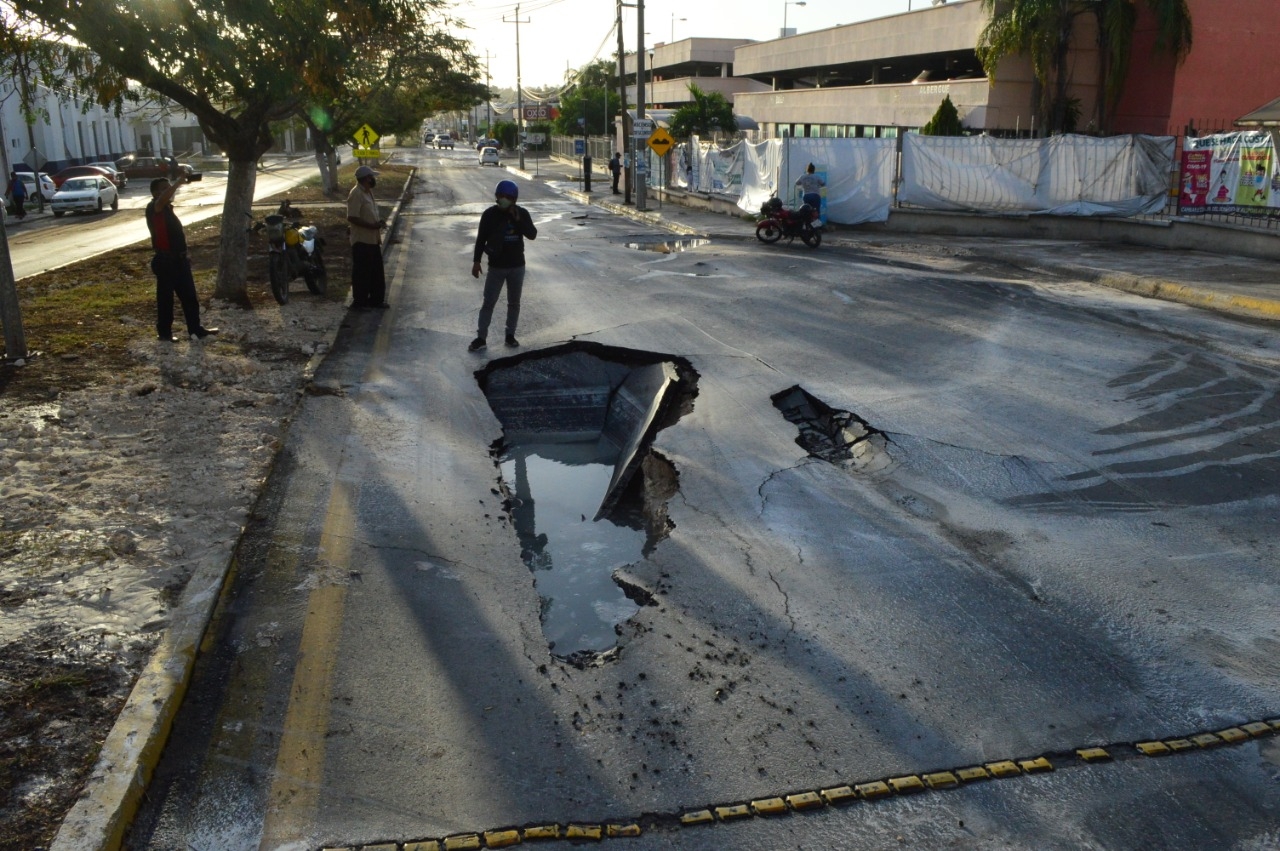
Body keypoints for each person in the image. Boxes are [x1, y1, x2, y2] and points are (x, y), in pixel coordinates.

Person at [145, 175, 218, 342]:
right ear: (155, 192)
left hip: (179, 260)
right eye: (164, 188)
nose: (169, 191)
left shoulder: (168, 209)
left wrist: (185, 254)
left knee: (190, 297)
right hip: (165, 261)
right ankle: (164, 334)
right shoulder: (154, 207)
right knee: (166, 300)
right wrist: (177, 183)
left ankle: (196, 330)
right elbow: (160, 202)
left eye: (169, 187)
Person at [469, 179, 537, 351]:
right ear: (496, 197)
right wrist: (476, 262)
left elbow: (532, 234)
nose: (504, 199)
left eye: (508, 197)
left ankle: (510, 335)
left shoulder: (521, 213)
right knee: (489, 302)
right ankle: (481, 338)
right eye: (501, 196)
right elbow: (480, 240)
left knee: (514, 302)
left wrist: (518, 220)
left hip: (517, 266)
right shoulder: (489, 215)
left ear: (514, 199)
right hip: (496, 267)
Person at [346, 165, 388, 309]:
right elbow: (352, 217)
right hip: (362, 240)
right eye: (372, 177)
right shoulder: (356, 193)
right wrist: (371, 226)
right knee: (362, 274)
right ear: (366, 179)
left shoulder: (367, 192)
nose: (373, 180)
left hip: (373, 239)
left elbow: (368, 213)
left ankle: (376, 300)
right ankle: (360, 302)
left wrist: (378, 223)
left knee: (376, 272)